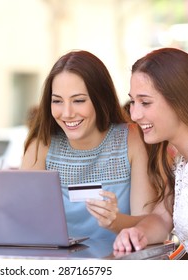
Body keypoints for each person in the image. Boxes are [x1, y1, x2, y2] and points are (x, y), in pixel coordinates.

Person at [21, 50, 156, 243]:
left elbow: (149, 225)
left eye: (79, 100)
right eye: (57, 101)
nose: (67, 113)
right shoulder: (41, 144)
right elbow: (23, 223)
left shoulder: (132, 139)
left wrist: (115, 221)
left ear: (100, 98)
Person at [113, 47, 188, 260]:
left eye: (145, 102)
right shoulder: (183, 159)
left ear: (179, 100)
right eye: (133, 101)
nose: (135, 114)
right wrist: (138, 233)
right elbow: (161, 217)